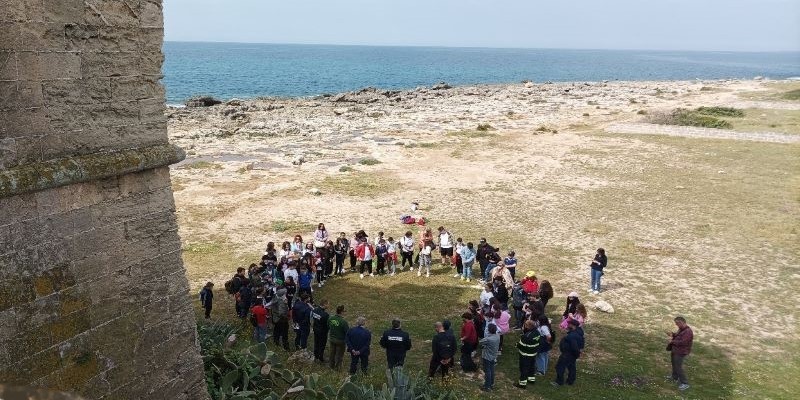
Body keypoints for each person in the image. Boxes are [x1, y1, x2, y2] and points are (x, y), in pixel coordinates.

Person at [552, 319, 584, 387]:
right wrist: (578, 353)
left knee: (559, 367)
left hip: (567, 354)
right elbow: (581, 344)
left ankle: (559, 382)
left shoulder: (571, 336)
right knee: (571, 367)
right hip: (572, 355)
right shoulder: (579, 333)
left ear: (573, 325)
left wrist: (577, 353)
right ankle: (570, 381)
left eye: (569, 324)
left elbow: (574, 347)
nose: (567, 325)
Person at [666, 316, 694, 391]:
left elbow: (683, 342)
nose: (676, 325)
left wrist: (672, 341)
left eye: (677, 324)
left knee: (678, 367)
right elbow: (679, 336)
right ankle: (674, 377)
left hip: (681, 352)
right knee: (674, 363)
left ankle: (685, 383)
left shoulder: (688, 332)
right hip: (675, 350)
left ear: (681, 322)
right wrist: (672, 334)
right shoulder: (681, 329)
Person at [515, 320, 541, 389]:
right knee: (531, 367)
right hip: (533, 353)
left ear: (528, 326)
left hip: (525, 355)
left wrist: (517, 344)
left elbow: (521, 345)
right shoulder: (537, 333)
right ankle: (531, 379)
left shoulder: (525, 336)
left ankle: (522, 384)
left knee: (524, 369)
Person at [479, 323, 500, 391]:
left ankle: (487, 386)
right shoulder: (497, 336)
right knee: (492, 370)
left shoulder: (488, 339)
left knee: (487, 371)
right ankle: (491, 383)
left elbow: (480, 342)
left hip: (487, 357)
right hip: (493, 355)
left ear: (489, 330)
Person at [328, 305, 349, 370]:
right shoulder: (343, 322)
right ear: (341, 312)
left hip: (332, 339)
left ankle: (331, 366)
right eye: (344, 311)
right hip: (340, 341)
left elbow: (328, 326)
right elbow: (347, 332)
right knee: (339, 355)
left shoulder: (330, 318)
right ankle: (338, 368)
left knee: (332, 353)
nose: (345, 313)